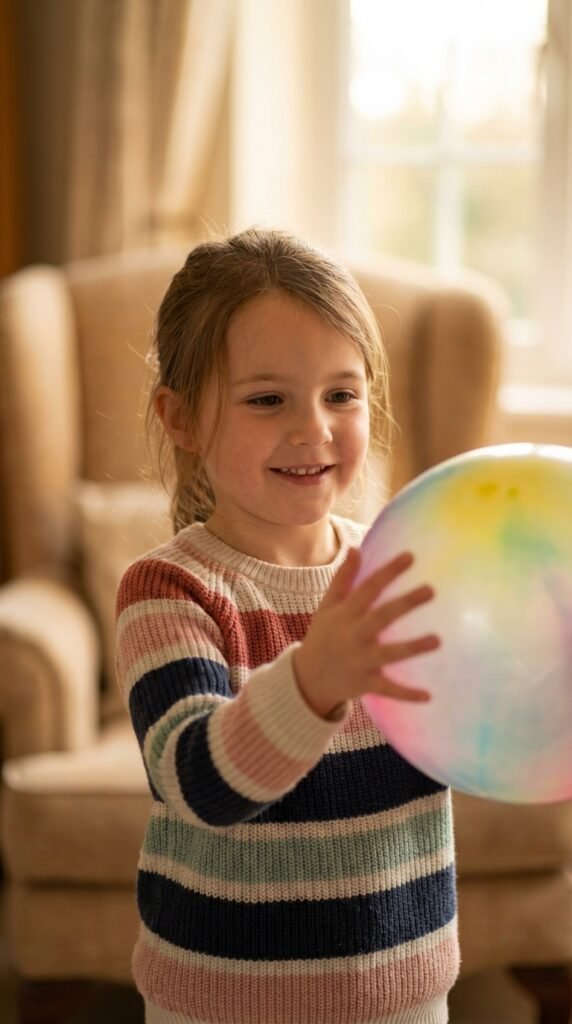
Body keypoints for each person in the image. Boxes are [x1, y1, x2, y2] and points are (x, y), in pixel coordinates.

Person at [115, 228, 459, 1024]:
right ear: (180, 418)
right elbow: (197, 782)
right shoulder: (167, 590)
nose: (314, 429)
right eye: (267, 399)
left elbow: (470, 733)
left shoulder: (405, 562)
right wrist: (313, 681)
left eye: (342, 395)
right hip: (220, 1002)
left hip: (405, 990)